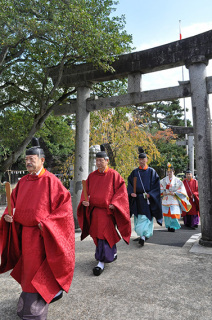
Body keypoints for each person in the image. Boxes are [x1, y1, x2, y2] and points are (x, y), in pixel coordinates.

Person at [0, 137, 75, 320]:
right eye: (26, 160)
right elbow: (12, 204)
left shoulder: (52, 182)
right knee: (27, 270)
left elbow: (64, 209)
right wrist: (7, 216)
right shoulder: (23, 182)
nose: (28, 162)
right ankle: (30, 300)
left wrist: (48, 224)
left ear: (42, 160)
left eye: (31, 159)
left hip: (43, 236)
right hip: (24, 234)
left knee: (39, 269)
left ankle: (36, 307)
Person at [77, 145, 131, 276]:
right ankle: (112, 252)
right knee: (97, 235)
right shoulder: (92, 176)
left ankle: (101, 261)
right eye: (97, 161)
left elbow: (121, 191)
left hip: (107, 212)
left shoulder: (114, 175)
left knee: (104, 235)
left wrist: (115, 203)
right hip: (95, 211)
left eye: (101, 160)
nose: (98, 163)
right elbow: (86, 192)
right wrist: (84, 201)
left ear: (107, 161)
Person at [127, 147, 163, 247]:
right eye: (140, 159)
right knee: (138, 217)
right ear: (138, 160)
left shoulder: (152, 172)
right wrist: (131, 193)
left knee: (146, 218)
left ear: (147, 160)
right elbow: (129, 184)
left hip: (147, 199)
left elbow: (156, 186)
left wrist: (150, 194)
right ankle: (142, 235)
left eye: (143, 159)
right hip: (137, 198)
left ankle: (143, 236)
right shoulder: (135, 172)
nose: (142, 161)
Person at [160, 163, 191, 232]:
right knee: (167, 214)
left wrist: (175, 193)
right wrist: (163, 192)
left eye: (171, 171)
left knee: (173, 213)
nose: (169, 173)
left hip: (174, 198)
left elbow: (181, 189)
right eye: (168, 172)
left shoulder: (178, 181)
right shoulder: (163, 180)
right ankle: (168, 225)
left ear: (173, 172)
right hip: (166, 198)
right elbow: (160, 188)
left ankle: (173, 226)